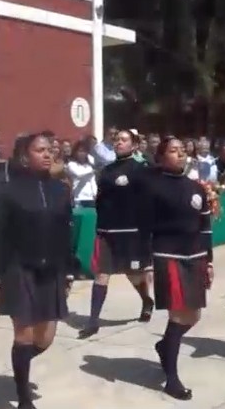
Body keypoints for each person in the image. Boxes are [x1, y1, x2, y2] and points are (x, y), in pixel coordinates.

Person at [0, 134, 73, 409]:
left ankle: (20, 363)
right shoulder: (9, 190)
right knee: (23, 335)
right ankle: (23, 397)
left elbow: (65, 233)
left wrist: (69, 269)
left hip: (53, 271)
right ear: (25, 156)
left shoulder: (61, 189)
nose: (47, 154)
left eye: (50, 150)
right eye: (40, 150)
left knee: (45, 339)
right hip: (19, 269)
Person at [143, 137, 214, 400]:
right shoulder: (153, 187)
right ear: (161, 157)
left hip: (195, 257)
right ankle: (171, 380)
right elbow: (144, 227)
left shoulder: (195, 187)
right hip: (167, 257)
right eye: (173, 151)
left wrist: (209, 261)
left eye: (183, 150)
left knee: (193, 316)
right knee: (177, 315)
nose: (180, 154)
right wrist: (147, 262)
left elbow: (205, 227)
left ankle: (165, 345)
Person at [78, 129, 154, 339]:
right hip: (107, 232)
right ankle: (93, 321)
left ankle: (147, 300)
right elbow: (101, 200)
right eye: (116, 140)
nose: (119, 143)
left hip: (132, 234)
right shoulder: (106, 170)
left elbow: (148, 202)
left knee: (134, 275)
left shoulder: (141, 170)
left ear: (134, 145)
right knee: (101, 275)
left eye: (124, 140)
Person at [66, 140, 97, 208]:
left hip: (90, 197)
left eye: (84, 151)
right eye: (80, 151)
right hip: (78, 197)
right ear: (75, 152)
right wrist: (92, 171)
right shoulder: (71, 164)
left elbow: (92, 181)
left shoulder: (89, 166)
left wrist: (95, 193)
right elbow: (79, 174)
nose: (82, 153)